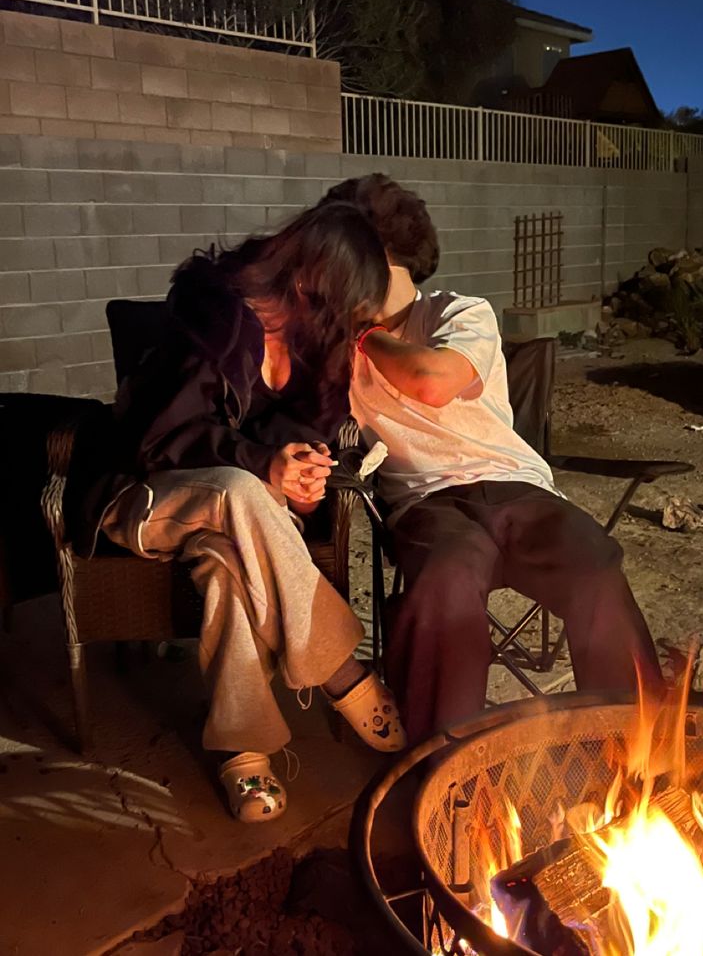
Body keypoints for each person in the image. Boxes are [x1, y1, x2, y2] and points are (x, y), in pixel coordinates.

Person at [65, 202, 406, 822]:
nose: (347, 326)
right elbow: (158, 441)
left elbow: (305, 435)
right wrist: (262, 465)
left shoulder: (310, 348)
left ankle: (244, 753)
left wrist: (302, 474)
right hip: (140, 499)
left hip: (236, 525)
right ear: (307, 283)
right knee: (239, 492)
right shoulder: (210, 316)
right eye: (344, 308)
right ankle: (339, 670)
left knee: (227, 565)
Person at [319, 174, 664, 745]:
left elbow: (434, 380)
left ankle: (642, 752)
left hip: (516, 487)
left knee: (595, 568)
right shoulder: (332, 349)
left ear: (377, 255)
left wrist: (359, 336)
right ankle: (441, 771)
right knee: (445, 581)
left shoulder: (459, 312)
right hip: (427, 503)